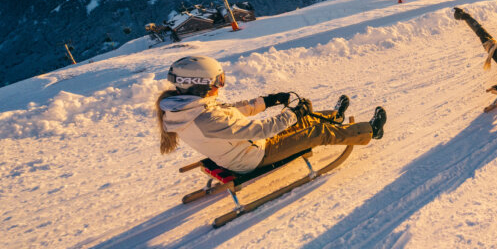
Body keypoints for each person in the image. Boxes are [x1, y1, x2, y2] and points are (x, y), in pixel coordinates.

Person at [156, 56, 386, 173]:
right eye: (218, 81)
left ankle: (335, 116)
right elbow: (259, 130)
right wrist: (291, 114)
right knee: (316, 132)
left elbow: (232, 111)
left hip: (249, 146)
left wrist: (267, 101)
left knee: (304, 118)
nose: (220, 86)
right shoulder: (205, 118)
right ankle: (371, 131)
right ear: (200, 83)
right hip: (253, 157)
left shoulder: (187, 108)